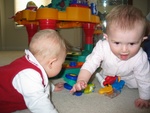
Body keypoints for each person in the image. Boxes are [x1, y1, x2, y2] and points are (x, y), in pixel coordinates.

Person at [71, 5, 150, 108]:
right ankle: (102, 77)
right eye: (117, 43)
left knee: (140, 82)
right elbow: (90, 64)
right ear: (107, 38)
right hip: (107, 74)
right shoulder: (102, 47)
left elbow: (144, 78)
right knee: (103, 79)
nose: (124, 50)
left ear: (142, 40)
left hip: (130, 76)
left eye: (132, 44)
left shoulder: (140, 57)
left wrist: (145, 97)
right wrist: (81, 80)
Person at [0, 29, 67, 113]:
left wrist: (52, 87)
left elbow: (39, 82)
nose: (62, 66)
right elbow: (39, 103)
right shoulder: (29, 75)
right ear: (51, 63)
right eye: (61, 63)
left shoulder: (33, 62)